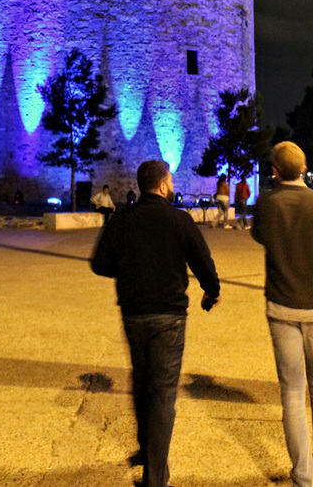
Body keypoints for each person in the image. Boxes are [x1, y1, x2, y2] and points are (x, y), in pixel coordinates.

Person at [91, 160, 221, 487]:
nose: (173, 185)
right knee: (163, 394)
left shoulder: (121, 220)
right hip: (169, 316)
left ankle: (147, 451)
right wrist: (211, 291)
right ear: (163, 186)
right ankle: (155, 479)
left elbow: (100, 263)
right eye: (172, 180)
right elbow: (203, 262)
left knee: (141, 380)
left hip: (133, 313)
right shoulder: (179, 220)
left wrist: (130, 271)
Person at [251, 142, 313, 487]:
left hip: (281, 308)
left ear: (275, 171)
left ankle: (302, 476)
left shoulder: (266, 203)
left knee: (292, 393)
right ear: (304, 169)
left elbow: (258, 235)